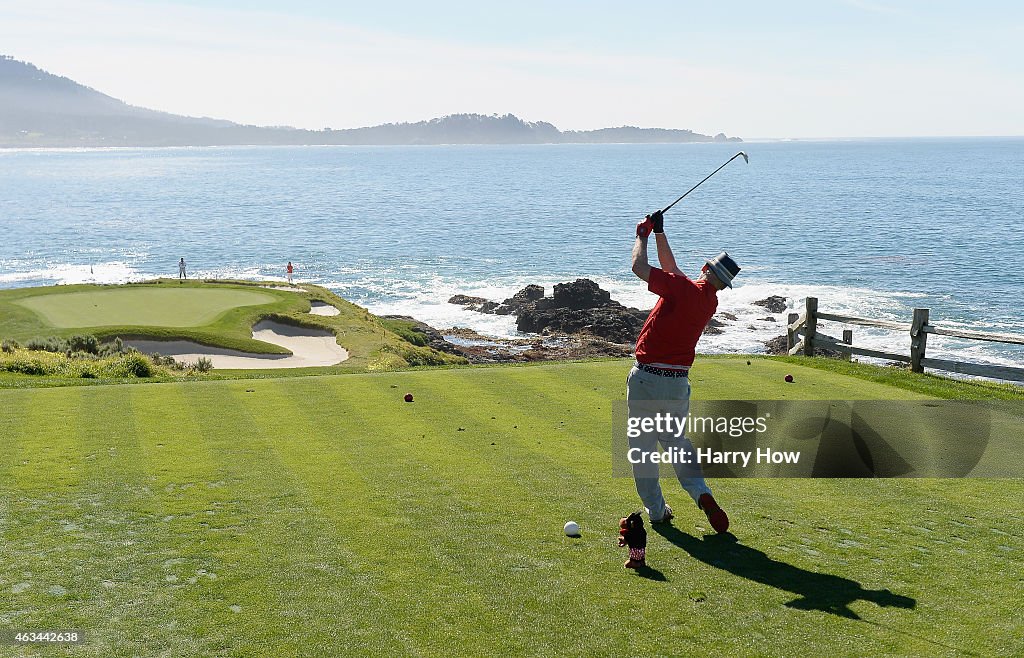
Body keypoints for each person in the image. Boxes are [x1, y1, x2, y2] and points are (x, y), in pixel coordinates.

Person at [627, 209, 740, 533]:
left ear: (705, 268)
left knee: (643, 450)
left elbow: (639, 267)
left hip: (647, 379)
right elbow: (672, 270)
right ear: (723, 283)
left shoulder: (682, 288)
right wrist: (661, 233)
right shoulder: (707, 301)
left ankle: (658, 511)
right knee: (675, 442)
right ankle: (701, 493)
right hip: (677, 384)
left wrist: (641, 236)